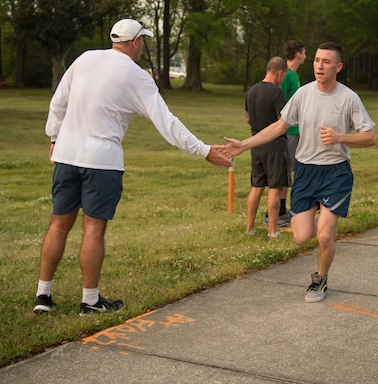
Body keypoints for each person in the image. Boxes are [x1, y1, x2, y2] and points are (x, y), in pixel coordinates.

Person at [33, 19, 232, 315]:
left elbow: (58, 103)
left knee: (58, 223)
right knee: (93, 230)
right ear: (136, 42)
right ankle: (89, 300)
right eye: (144, 42)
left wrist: (54, 138)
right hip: (102, 162)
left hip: (67, 155)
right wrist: (203, 151)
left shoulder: (84, 58)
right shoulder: (137, 76)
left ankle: (43, 296)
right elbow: (167, 122)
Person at [225, 42, 376, 303]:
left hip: (335, 173)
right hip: (305, 171)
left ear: (338, 67)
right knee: (300, 237)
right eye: (317, 60)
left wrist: (341, 137)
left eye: (326, 61)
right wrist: (244, 144)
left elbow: (370, 137)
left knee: (325, 234)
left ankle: (320, 279)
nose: (319, 65)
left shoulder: (348, 97)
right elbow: (279, 127)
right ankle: (326, 226)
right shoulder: (303, 94)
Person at [245, 57, 290, 239]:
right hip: (275, 146)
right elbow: (283, 121)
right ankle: (273, 231)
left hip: (256, 144)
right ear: (279, 73)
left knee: (256, 187)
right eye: (283, 76)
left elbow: (247, 118)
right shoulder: (277, 93)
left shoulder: (251, 91)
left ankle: (249, 228)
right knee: (275, 188)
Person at [273, 40, 306, 226]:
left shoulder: (293, 74)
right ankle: (277, 213)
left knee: (290, 168)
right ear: (299, 54)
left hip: (296, 128)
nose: (306, 56)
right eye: (305, 52)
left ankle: (283, 211)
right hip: (289, 130)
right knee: (285, 169)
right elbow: (278, 100)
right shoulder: (286, 75)